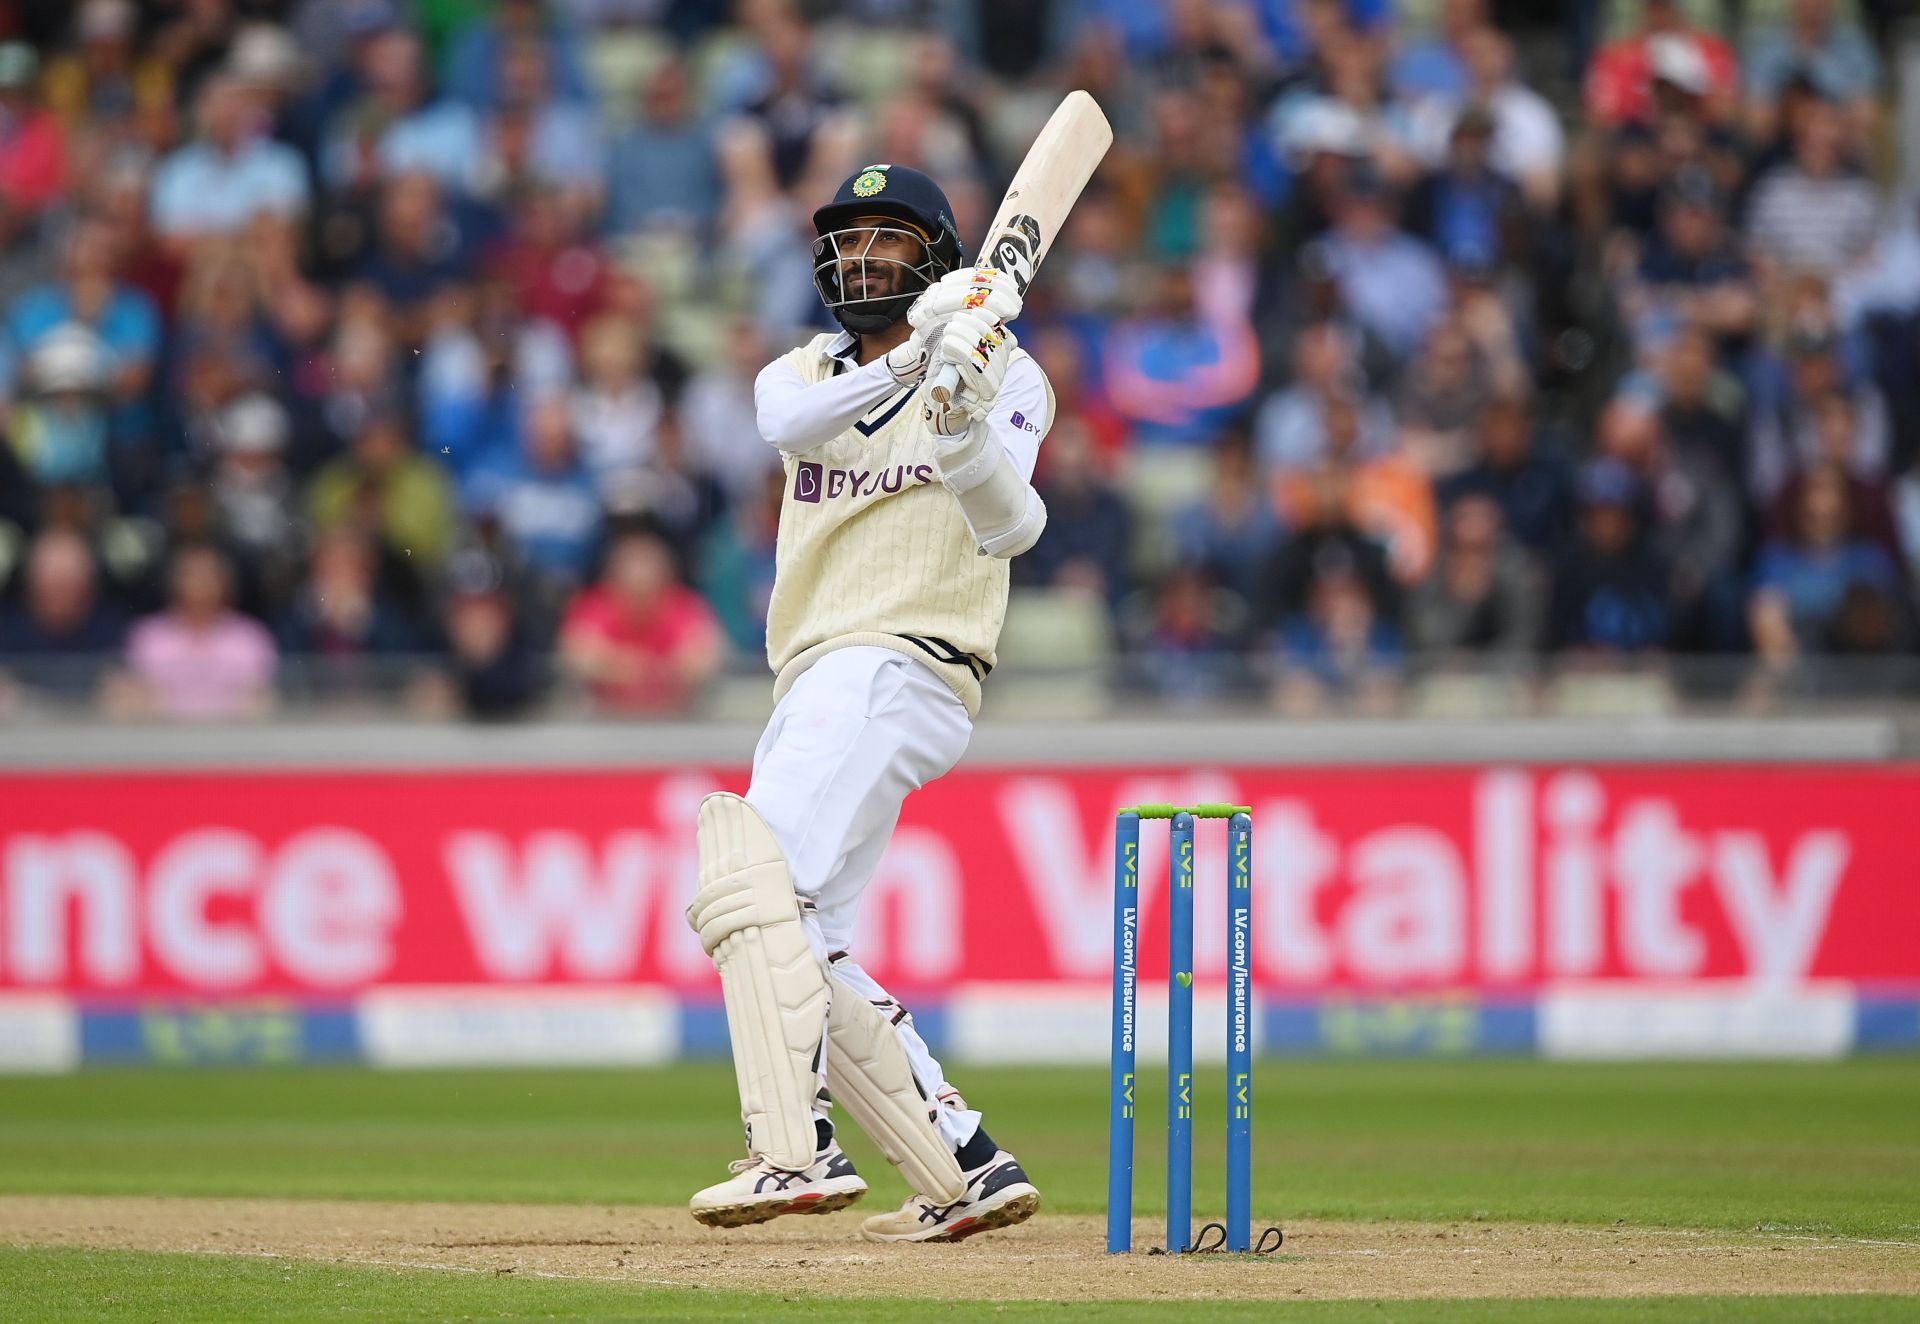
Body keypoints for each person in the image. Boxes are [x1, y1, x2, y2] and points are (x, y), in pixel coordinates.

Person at [685, 164, 1046, 1243]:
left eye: (887, 239)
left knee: (750, 881)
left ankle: (793, 1148)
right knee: (806, 939)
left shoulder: (1009, 373)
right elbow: (781, 424)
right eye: (846, 241)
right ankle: (963, 1163)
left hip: (901, 653)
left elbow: (1011, 524)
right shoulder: (806, 370)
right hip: (817, 670)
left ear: (934, 257)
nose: (860, 258)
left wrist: (961, 423)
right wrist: (918, 372)